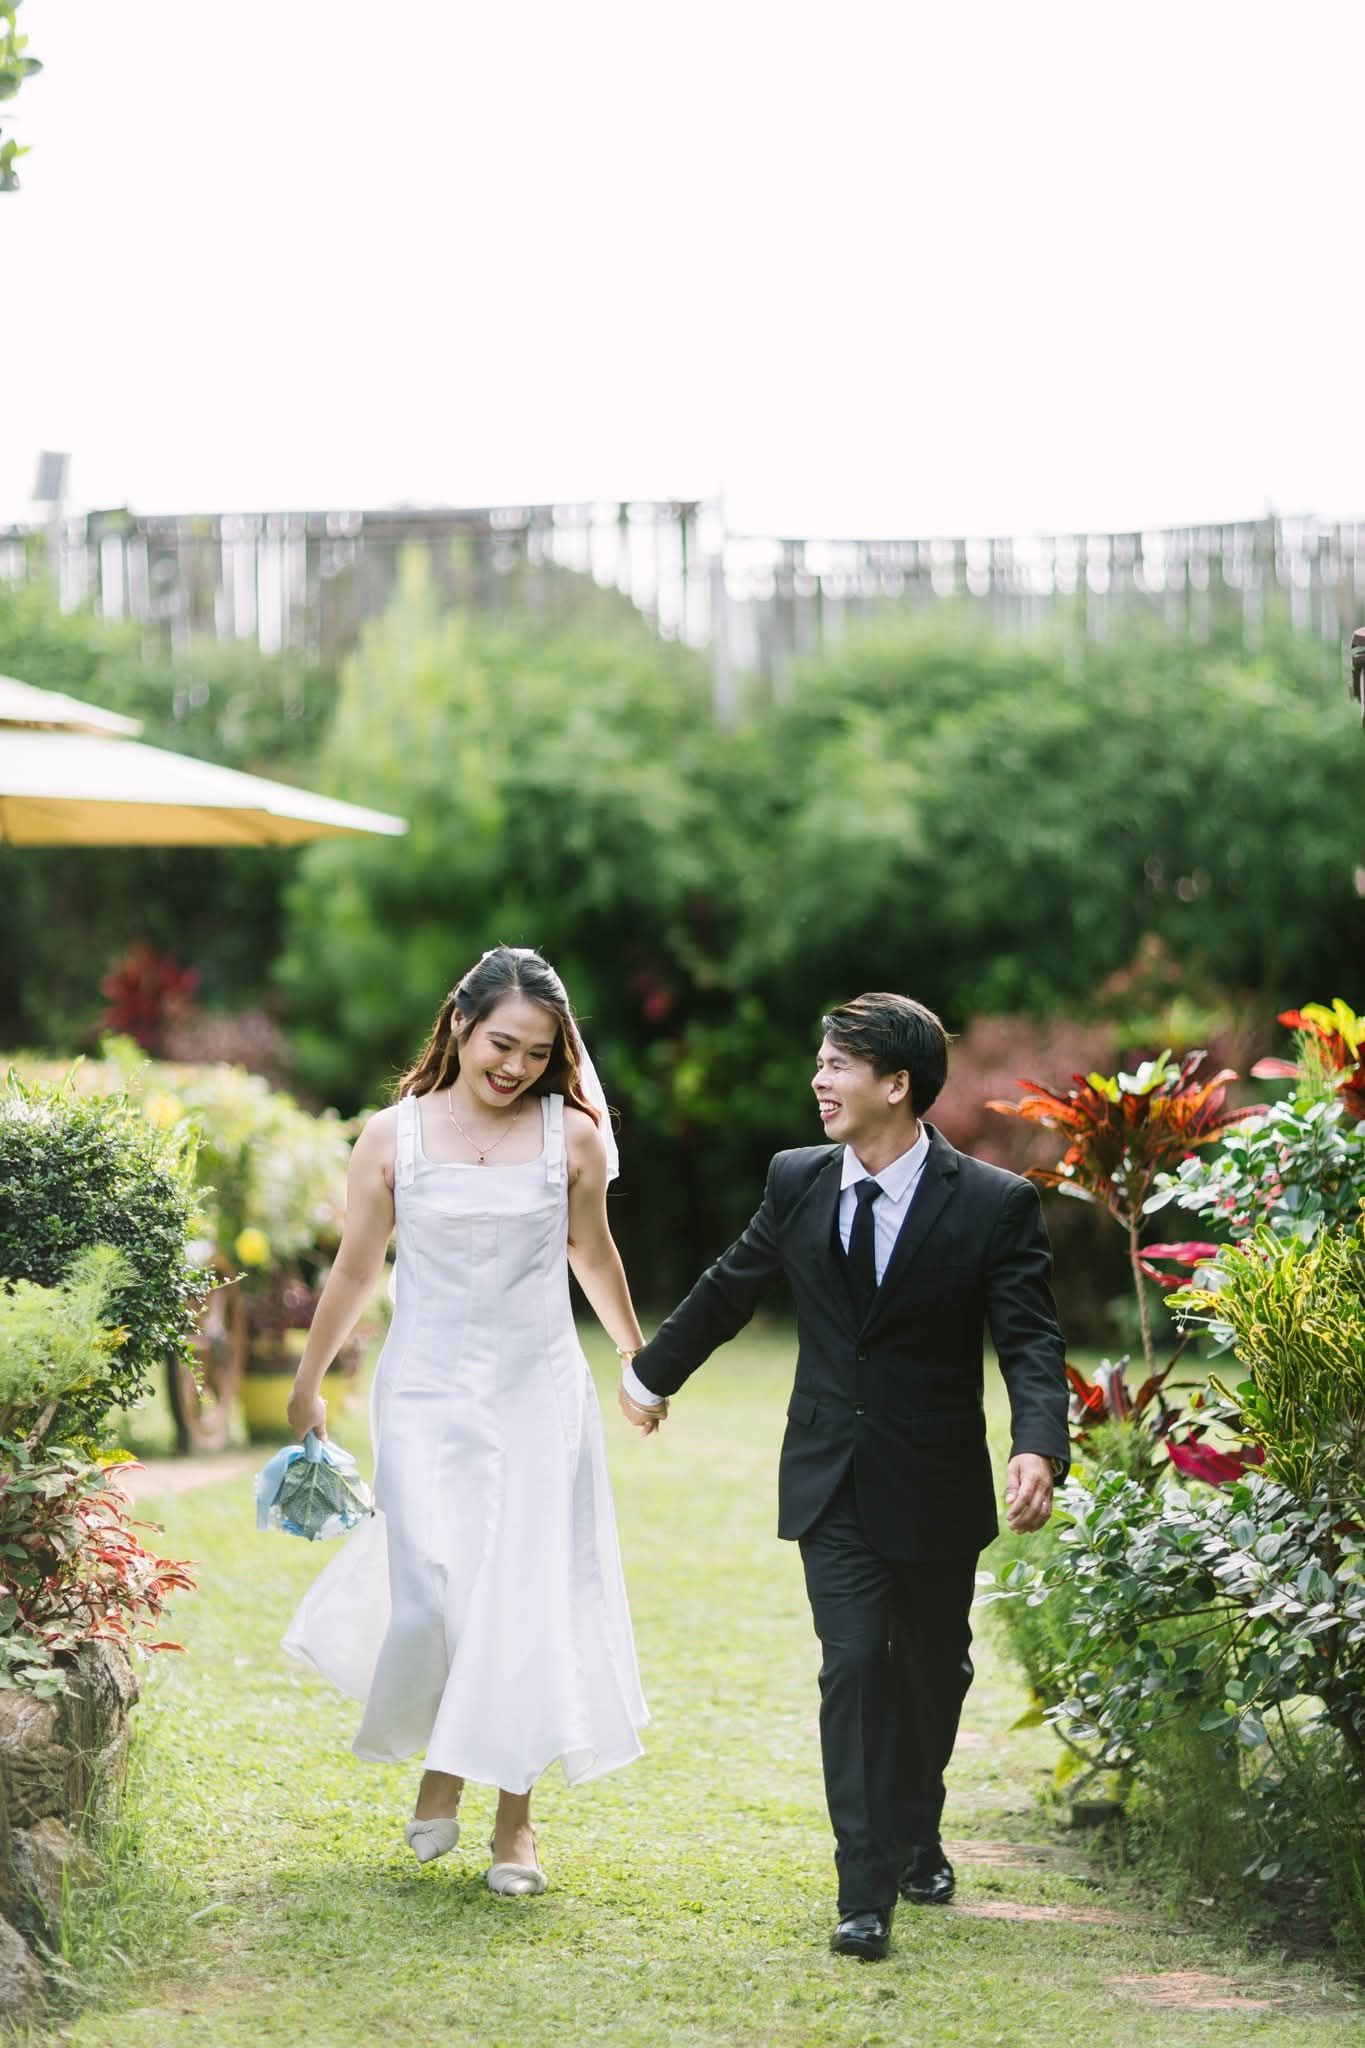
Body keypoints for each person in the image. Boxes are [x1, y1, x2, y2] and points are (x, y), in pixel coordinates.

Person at [618, 992, 1068, 1960]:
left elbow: (1029, 1338)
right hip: (830, 1476)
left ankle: (917, 1825)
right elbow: (730, 1288)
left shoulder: (993, 1203)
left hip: (936, 1481)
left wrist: (1037, 1442)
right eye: (819, 1061)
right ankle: (864, 1890)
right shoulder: (796, 1180)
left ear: (895, 1084)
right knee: (855, 1662)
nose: (817, 1080)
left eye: (836, 1064)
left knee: (933, 1671)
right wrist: (650, 1375)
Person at [283, 946, 649, 1898]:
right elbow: (356, 1267)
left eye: (537, 1052)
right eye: (501, 1044)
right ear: (459, 1025)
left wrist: (635, 1359)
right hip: (424, 1391)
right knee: (433, 1590)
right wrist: (309, 1379)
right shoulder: (390, 1137)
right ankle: (443, 1761)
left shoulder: (570, 1139)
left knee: (522, 1592)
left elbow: (592, 1253)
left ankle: (513, 1819)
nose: (515, 1066)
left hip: (537, 1388)